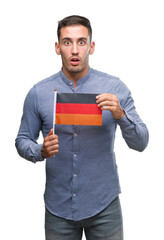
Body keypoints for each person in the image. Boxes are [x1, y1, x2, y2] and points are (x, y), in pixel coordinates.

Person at [15, 15, 149, 240]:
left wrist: (120, 114)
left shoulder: (114, 87)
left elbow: (141, 142)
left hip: (104, 207)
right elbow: (22, 140)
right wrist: (41, 150)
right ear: (58, 48)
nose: (75, 50)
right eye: (67, 42)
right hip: (58, 210)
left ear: (92, 46)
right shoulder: (39, 93)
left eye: (81, 42)